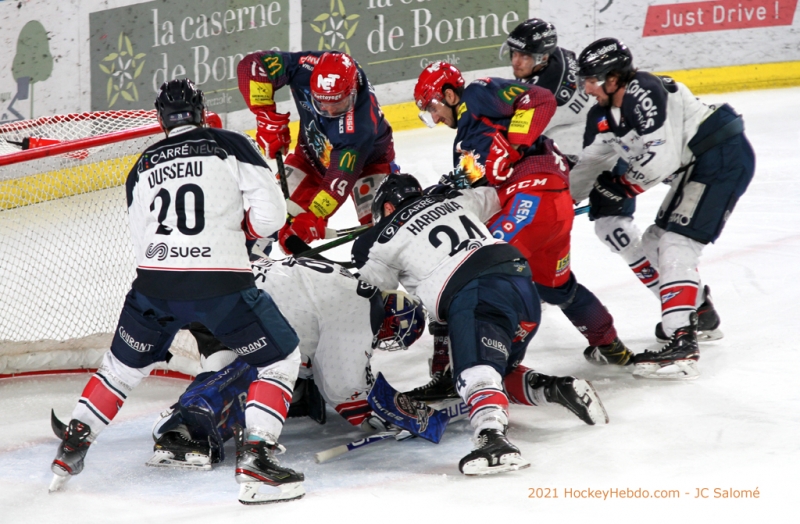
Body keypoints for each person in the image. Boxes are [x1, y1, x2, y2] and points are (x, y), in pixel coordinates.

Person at [49, 79, 305, 505]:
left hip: (155, 285)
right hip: (220, 282)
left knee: (120, 369)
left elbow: (140, 235)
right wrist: (240, 238)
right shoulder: (229, 143)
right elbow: (272, 213)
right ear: (202, 111)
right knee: (280, 358)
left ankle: (72, 446)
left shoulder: (142, 164)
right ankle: (257, 460)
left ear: (160, 118)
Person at [352, 174, 608, 476]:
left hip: (474, 293)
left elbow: (364, 294)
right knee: (496, 371)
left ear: (387, 205)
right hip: (521, 285)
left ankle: (493, 441)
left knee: (474, 373)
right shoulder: (455, 200)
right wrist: (453, 193)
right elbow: (496, 196)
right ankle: (558, 389)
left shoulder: (385, 240)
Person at [410, 62, 632, 395]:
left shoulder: (479, 93)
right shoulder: (466, 139)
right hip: (552, 208)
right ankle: (610, 344)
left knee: (465, 277)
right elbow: (479, 182)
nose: (436, 118)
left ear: (449, 93)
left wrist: (514, 144)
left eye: (433, 108)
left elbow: (541, 98)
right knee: (557, 287)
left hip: (531, 199)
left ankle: (459, 373)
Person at [572, 38, 755, 379]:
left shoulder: (644, 89)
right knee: (656, 241)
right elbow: (588, 165)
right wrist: (559, 199)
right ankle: (700, 314)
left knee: (677, 244)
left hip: (722, 157)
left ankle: (682, 341)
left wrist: (622, 186)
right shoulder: (602, 115)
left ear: (614, 78)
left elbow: (662, 159)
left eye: (592, 79)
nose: (586, 87)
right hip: (699, 165)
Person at [146, 254, 428, 470]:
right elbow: (341, 387)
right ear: (392, 320)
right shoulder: (362, 310)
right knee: (257, 374)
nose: (382, 339)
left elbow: (311, 339)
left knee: (232, 367)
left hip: (215, 284)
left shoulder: (351, 286)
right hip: (236, 304)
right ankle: (179, 426)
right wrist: (378, 416)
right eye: (391, 334)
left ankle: (181, 418)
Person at [236, 50, 396, 254]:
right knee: (271, 220)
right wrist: (264, 114)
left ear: (353, 91)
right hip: (310, 157)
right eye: (321, 103)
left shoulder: (360, 125)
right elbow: (251, 65)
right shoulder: (304, 67)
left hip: (369, 164)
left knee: (384, 235)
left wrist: (314, 215)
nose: (329, 111)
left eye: (338, 104)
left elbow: (338, 181)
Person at [500, 18, 594, 157]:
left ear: (543, 58)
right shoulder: (555, 54)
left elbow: (514, 141)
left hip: (579, 145)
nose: (516, 62)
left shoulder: (542, 94)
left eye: (524, 57)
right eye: (514, 53)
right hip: (589, 122)